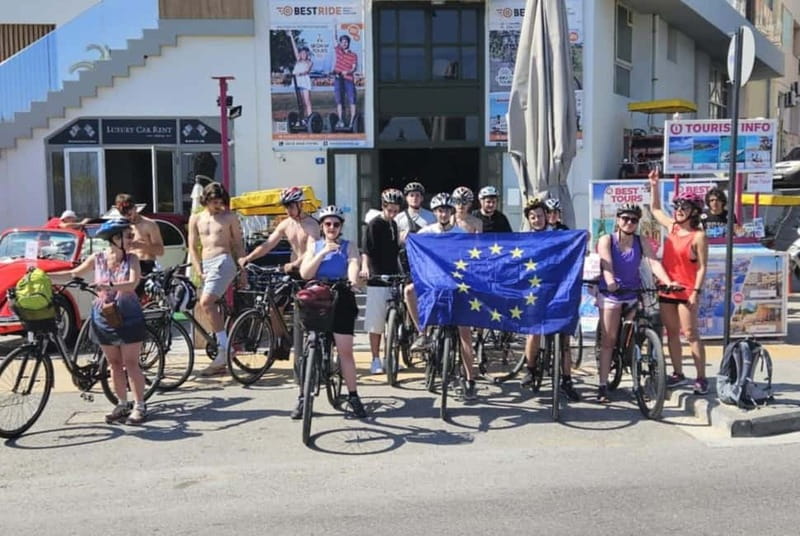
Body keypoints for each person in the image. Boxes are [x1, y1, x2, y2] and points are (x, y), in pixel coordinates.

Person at [53, 218, 147, 424]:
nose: (132, 240)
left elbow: (131, 283)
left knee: (131, 363)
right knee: (114, 364)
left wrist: (109, 285)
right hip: (104, 316)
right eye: (128, 236)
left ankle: (140, 405)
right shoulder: (97, 258)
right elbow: (73, 273)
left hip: (128, 315)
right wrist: (46, 276)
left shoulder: (132, 259)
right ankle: (122, 404)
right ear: (115, 239)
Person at [596, 203, 677, 403]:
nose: (629, 223)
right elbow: (606, 263)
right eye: (625, 218)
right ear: (618, 220)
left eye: (634, 220)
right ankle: (603, 385)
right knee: (609, 341)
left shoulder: (641, 241)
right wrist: (610, 281)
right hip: (612, 293)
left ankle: (635, 378)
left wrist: (668, 282)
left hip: (632, 292)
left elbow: (653, 262)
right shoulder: (607, 240)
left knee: (633, 338)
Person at [296, 205, 366, 418]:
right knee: (307, 347)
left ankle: (353, 395)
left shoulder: (348, 246)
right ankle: (302, 398)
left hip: (341, 294)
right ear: (321, 226)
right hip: (317, 295)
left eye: (336, 224)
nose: (332, 228)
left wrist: (353, 280)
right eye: (327, 224)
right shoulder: (314, 246)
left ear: (341, 227)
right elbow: (305, 273)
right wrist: (323, 252)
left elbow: (354, 264)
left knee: (345, 350)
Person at [409, 193, 478, 400]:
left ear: (451, 212)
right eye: (439, 210)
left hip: (456, 286)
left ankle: (470, 379)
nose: (443, 213)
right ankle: (422, 331)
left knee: (465, 334)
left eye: (446, 210)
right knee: (408, 291)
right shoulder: (426, 232)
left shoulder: (461, 233)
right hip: (432, 283)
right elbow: (412, 252)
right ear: (435, 212)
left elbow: (471, 260)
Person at [238, 186, 320, 358]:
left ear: (300, 204)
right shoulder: (285, 224)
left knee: (308, 310)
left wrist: (296, 263)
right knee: (274, 305)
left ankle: (310, 344)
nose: (288, 210)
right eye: (286, 206)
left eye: (291, 206)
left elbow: (312, 248)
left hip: (309, 272)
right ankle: (280, 340)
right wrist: (248, 258)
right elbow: (268, 244)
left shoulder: (312, 225)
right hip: (291, 272)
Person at [649, 170, 709, 394]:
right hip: (667, 288)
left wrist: (695, 292)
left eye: (684, 207)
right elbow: (655, 210)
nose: (679, 211)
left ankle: (701, 377)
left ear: (694, 211)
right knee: (671, 333)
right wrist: (654, 185)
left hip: (686, 291)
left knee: (691, 333)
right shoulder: (672, 227)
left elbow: (703, 266)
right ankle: (678, 372)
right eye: (677, 207)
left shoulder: (699, 236)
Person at [518, 199, 580, 402]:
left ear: (547, 216)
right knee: (533, 332)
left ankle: (567, 380)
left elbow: (578, 241)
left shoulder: (559, 236)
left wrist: (582, 237)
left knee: (564, 340)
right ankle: (530, 368)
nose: (537, 220)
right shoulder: (523, 240)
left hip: (559, 290)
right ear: (528, 219)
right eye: (533, 217)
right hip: (533, 292)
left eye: (540, 216)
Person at [188, 182, 245, 376]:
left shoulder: (229, 217)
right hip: (206, 264)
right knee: (207, 305)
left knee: (206, 302)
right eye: (214, 202)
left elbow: (238, 244)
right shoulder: (196, 219)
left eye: (220, 202)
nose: (217, 206)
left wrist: (242, 268)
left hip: (223, 260)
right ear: (206, 200)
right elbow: (193, 247)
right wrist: (198, 269)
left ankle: (224, 348)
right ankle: (223, 345)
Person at [360, 188, 403, 375]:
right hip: (377, 277)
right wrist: (365, 268)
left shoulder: (394, 225)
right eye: (389, 209)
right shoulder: (374, 224)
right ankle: (375, 358)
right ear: (383, 207)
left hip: (393, 276)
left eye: (395, 210)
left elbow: (395, 252)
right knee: (375, 322)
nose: (392, 213)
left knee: (394, 320)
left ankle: (390, 357)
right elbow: (366, 250)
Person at [114, 194, 164, 297]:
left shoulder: (149, 225)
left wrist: (141, 246)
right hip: (125, 266)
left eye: (130, 213)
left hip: (145, 266)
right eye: (124, 214)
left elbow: (160, 251)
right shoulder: (120, 226)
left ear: (135, 208)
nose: (128, 217)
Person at [332, 32, 358, 129]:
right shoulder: (338, 51)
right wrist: (334, 26)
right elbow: (334, 39)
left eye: (346, 42)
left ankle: (352, 122)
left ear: (348, 43)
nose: (344, 44)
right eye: (342, 42)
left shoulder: (353, 55)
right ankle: (341, 121)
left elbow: (354, 68)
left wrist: (348, 71)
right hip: (338, 79)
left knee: (352, 100)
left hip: (348, 79)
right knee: (339, 101)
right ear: (340, 43)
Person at [287, 31, 314, 121]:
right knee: (300, 102)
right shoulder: (298, 60)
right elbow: (294, 48)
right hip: (297, 81)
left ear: (307, 54)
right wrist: (291, 36)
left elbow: (308, 70)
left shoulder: (309, 62)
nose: (303, 55)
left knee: (307, 101)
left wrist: (300, 73)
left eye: (305, 53)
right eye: (302, 53)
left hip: (304, 81)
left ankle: (310, 118)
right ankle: (302, 118)